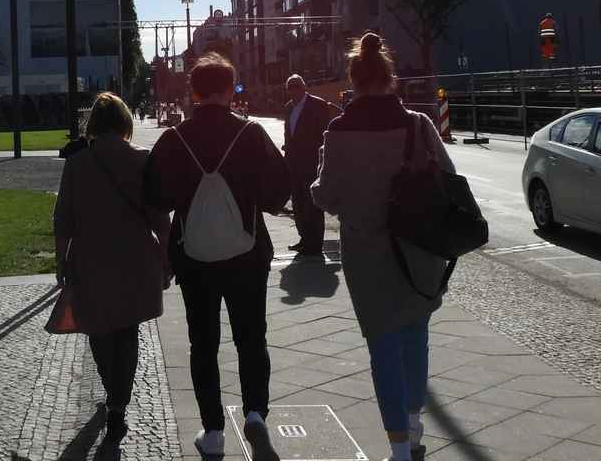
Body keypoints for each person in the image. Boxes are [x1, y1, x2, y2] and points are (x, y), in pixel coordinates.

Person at [310, 33, 455, 461]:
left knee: (383, 346)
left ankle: (399, 448)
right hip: (419, 250)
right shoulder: (419, 125)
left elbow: (326, 196)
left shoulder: (338, 131)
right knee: (416, 335)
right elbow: (448, 178)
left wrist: (327, 180)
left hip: (366, 255)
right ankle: (413, 425)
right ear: (390, 77)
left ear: (353, 81)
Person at [144, 53, 289, 461]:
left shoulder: (175, 139)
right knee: (251, 336)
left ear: (193, 91)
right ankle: (255, 413)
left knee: (203, 342)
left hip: (194, 256)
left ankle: (212, 433)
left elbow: (155, 195)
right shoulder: (251, 134)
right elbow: (278, 193)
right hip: (248, 254)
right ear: (230, 89)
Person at [53, 93, 170, 444]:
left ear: (93, 124)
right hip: (135, 260)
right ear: (124, 122)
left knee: (98, 330)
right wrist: (166, 259)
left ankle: (112, 392)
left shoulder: (76, 165)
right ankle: (119, 403)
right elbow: (160, 218)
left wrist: (61, 262)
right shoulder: (142, 160)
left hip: (90, 259)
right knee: (127, 332)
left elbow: (63, 220)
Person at [283, 74, 339, 257]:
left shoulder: (317, 104)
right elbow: (288, 135)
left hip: (312, 162)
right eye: (290, 87)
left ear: (304, 87)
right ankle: (304, 239)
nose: (293, 90)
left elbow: (325, 134)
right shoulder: (289, 108)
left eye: (296, 86)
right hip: (294, 163)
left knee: (312, 204)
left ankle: (315, 243)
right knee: (298, 203)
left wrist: (323, 159)